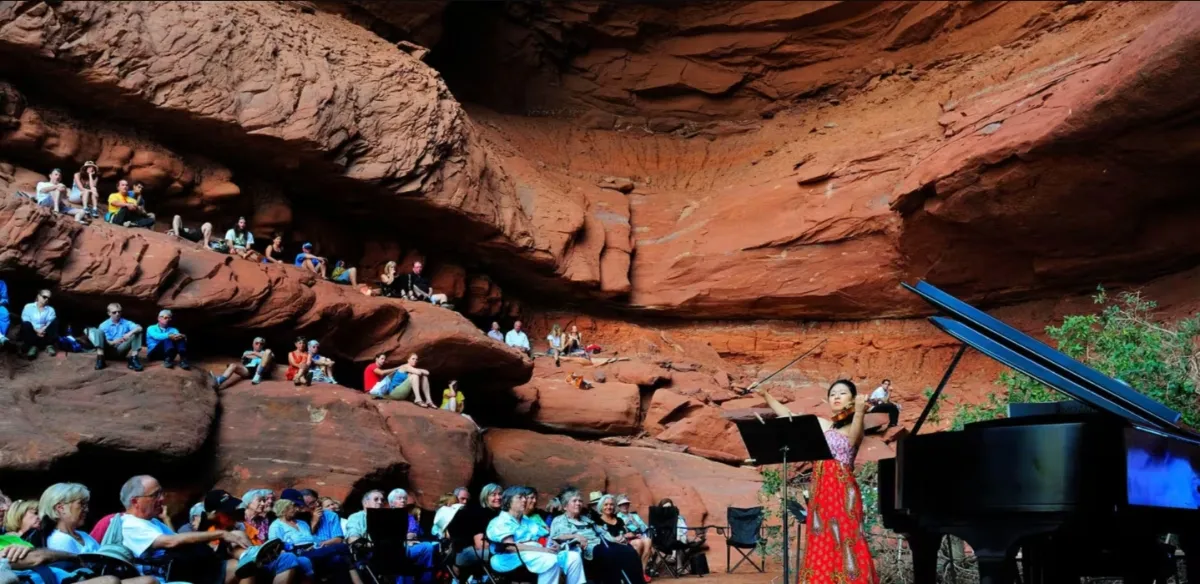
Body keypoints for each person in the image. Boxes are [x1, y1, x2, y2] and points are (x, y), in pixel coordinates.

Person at [756, 380, 877, 584]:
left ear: (852, 398)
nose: (836, 397)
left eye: (842, 393)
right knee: (821, 541)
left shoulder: (856, 423)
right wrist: (766, 396)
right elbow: (790, 417)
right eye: (832, 394)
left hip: (843, 493)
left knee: (847, 541)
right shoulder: (823, 425)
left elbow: (853, 439)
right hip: (821, 492)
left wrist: (859, 412)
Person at [486, 486, 585, 584]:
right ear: (509, 501)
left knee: (574, 557)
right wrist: (543, 550)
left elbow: (544, 536)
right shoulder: (501, 521)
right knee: (549, 559)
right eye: (520, 497)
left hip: (534, 554)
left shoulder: (526, 520)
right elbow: (510, 547)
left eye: (525, 497)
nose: (525, 500)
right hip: (509, 558)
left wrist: (555, 544)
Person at [551, 489, 646, 584]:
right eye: (574, 501)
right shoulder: (560, 520)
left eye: (580, 501)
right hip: (587, 548)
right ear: (565, 506)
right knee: (610, 554)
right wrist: (576, 536)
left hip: (601, 543)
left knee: (630, 551)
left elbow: (601, 532)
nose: (578, 503)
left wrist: (614, 539)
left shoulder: (585, 519)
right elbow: (557, 536)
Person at [445, 484, 502, 575]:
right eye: (493, 495)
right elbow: (480, 544)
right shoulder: (480, 514)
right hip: (467, 551)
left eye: (500, 494)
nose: (498, 497)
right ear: (485, 497)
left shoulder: (501, 514)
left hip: (488, 549)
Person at [595, 495, 651, 577]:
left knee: (647, 540)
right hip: (611, 545)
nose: (609, 507)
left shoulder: (619, 519)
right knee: (638, 543)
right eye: (606, 504)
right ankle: (634, 572)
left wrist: (633, 534)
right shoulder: (598, 520)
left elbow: (626, 531)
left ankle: (641, 572)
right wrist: (618, 538)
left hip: (625, 541)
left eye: (611, 504)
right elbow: (602, 536)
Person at [39, 483, 100, 554]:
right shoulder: (59, 540)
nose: (86, 510)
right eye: (82, 504)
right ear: (61, 508)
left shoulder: (84, 535)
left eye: (86, 504)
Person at [87, 303, 143, 371]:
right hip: (107, 351)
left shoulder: (126, 322)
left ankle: (134, 359)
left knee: (137, 332)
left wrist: (129, 334)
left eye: (119, 312)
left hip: (121, 350)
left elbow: (139, 328)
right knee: (97, 331)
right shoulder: (104, 325)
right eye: (114, 312)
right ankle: (100, 359)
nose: (117, 314)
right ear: (109, 313)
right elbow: (105, 342)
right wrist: (115, 341)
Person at [19, 289, 59, 359]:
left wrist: (43, 330)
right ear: (38, 296)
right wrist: (36, 331)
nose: (46, 299)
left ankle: (45, 345)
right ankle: (35, 346)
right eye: (44, 297)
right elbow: (26, 319)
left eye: (48, 298)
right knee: (26, 324)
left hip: (44, 333)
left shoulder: (50, 309)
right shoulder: (28, 306)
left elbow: (50, 322)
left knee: (55, 321)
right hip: (32, 332)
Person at [0, 278, 9, 347]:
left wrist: (1, 302)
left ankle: (2, 335)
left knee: (4, 313)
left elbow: (5, 298)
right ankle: (1, 338)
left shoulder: (1, 283)